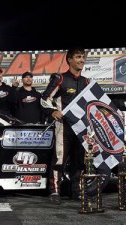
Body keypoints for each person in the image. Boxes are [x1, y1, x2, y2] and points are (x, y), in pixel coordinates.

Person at [41, 47, 90, 204]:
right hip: (64, 127)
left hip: (81, 128)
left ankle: (77, 191)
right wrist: (53, 111)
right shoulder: (60, 79)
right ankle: (55, 191)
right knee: (59, 159)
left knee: (79, 161)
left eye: (83, 57)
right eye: (78, 57)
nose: (82, 60)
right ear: (69, 59)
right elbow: (44, 98)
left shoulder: (86, 82)